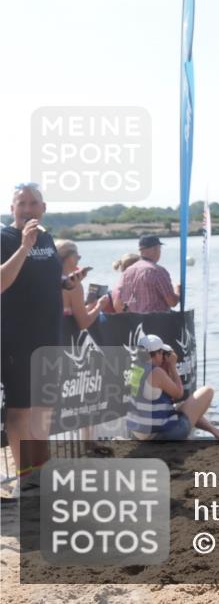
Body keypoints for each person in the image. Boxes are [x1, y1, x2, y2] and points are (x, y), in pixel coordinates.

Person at [1, 184, 82, 497]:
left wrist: (67, 282)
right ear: (12, 208)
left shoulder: (47, 239)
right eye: (21, 203)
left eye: (33, 203)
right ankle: (26, 479)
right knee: (20, 412)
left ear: (43, 208)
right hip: (15, 339)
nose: (27, 209)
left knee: (44, 410)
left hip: (49, 338)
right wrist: (23, 247)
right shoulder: (6, 238)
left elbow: (43, 280)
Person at [126, 334, 219, 442]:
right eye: (162, 352)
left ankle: (216, 431)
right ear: (157, 354)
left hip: (138, 432)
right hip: (160, 435)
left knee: (182, 406)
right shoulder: (156, 372)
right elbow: (179, 394)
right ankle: (217, 432)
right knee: (207, 391)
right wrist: (173, 367)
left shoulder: (135, 368)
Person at [115, 235, 181, 313]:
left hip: (134, 322)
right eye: (159, 248)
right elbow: (172, 302)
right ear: (155, 249)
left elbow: (119, 304)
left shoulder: (126, 272)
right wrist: (178, 290)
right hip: (158, 322)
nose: (159, 251)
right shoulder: (157, 271)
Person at [56, 240, 104, 329]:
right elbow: (83, 323)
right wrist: (100, 305)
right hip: (63, 339)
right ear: (67, 257)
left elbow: (71, 312)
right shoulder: (73, 286)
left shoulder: (50, 280)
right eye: (76, 254)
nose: (79, 257)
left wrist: (91, 306)